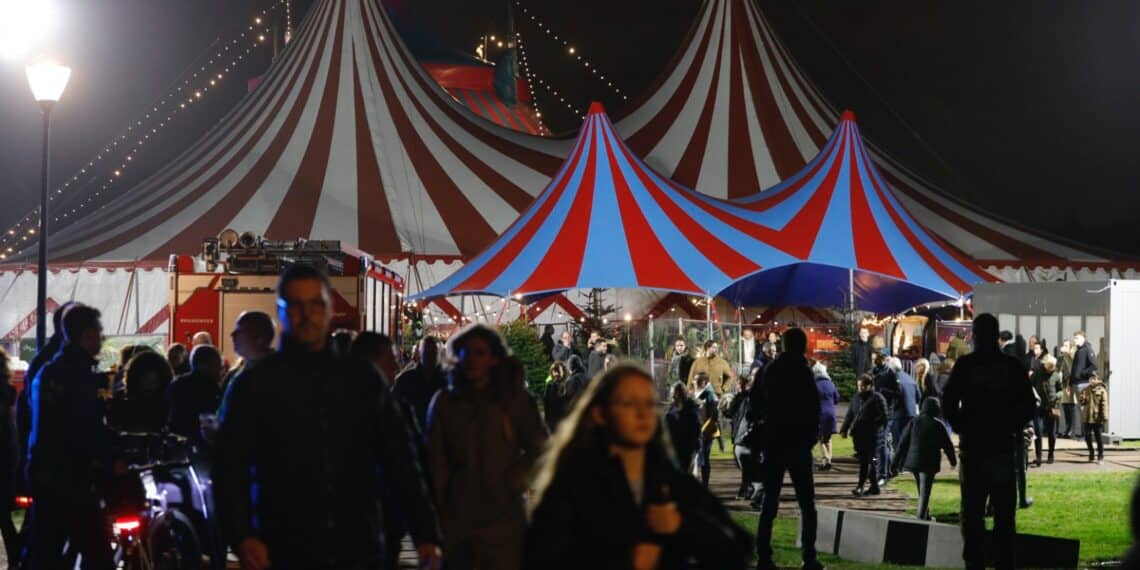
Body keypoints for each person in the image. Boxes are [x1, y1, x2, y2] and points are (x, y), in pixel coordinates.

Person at [215, 264, 442, 569]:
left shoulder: (362, 379)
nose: (307, 315)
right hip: (285, 547)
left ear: (329, 308)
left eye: (315, 304)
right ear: (281, 312)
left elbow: (400, 458)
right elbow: (230, 468)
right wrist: (242, 535)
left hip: (357, 545)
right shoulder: (254, 386)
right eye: (296, 305)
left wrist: (425, 531)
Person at [523, 364, 751, 569]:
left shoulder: (669, 481)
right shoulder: (572, 486)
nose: (643, 413)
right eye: (629, 403)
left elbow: (739, 549)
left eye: (649, 403)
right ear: (600, 413)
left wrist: (682, 525)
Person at [427, 324, 547, 569]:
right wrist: (435, 518)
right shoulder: (446, 403)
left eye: (479, 353)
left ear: (493, 359)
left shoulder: (513, 400)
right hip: (459, 520)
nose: (471, 359)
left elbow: (542, 449)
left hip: (503, 521)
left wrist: (516, 477)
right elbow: (435, 462)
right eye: (465, 352)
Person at [942, 313, 1036, 570]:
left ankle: (975, 561)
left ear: (974, 334)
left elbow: (948, 401)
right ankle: (1003, 561)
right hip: (1002, 446)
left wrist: (963, 426)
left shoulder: (966, 365)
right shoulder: (1011, 366)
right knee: (1004, 513)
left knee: (972, 511)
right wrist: (1011, 425)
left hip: (975, 447)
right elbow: (1028, 406)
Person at [26, 305, 114, 569]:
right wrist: (110, 458)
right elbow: (84, 426)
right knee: (97, 553)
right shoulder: (77, 373)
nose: (101, 338)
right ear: (87, 335)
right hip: (70, 477)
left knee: (46, 551)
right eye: (99, 333)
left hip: (47, 473)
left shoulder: (51, 369)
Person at [751, 328, 823, 570]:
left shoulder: (768, 370)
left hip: (774, 442)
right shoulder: (803, 372)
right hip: (798, 444)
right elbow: (814, 409)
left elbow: (753, 406)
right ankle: (809, 556)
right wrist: (810, 438)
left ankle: (764, 556)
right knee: (807, 503)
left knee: (769, 503)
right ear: (802, 346)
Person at [892, 397, 957, 521]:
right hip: (928, 463)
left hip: (913, 462)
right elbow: (947, 445)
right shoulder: (938, 425)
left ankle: (925, 514)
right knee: (925, 492)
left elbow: (902, 444)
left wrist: (894, 464)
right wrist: (952, 461)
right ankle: (921, 518)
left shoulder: (914, 422)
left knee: (920, 490)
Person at [166, 345, 224, 444]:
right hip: (201, 445)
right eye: (217, 365)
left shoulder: (176, 384)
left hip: (176, 442)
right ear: (205, 364)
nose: (220, 370)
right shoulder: (210, 389)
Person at [842, 375, 887, 497]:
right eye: (859, 386)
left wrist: (872, 426)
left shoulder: (877, 398)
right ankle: (874, 487)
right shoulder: (856, 398)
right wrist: (844, 429)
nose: (860, 388)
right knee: (868, 461)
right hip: (859, 435)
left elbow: (884, 417)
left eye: (863, 386)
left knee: (866, 462)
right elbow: (850, 414)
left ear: (869, 386)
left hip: (873, 436)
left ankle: (860, 486)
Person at [108, 351, 174, 433]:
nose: (150, 385)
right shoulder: (121, 400)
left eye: (154, 381)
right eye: (146, 380)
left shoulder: (167, 403)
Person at [394, 336, 447, 433]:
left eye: (433, 352)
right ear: (420, 353)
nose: (430, 356)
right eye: (427, 352)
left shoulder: (448, 379)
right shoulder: (406, 379)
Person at [726, 374, 758, 498]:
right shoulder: (738, 398)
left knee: (745, 464)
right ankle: (749, 487)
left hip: (745, 436)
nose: (739, 386)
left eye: (741, 384)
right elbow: (731, 415)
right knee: (742, 464)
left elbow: (749, 417)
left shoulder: (749, 398)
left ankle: (747, 489)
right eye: (738, 384)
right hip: (737, 434)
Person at [0, 348, 19, 558]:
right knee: (4, 515)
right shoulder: (8, 390)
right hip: (7, 457)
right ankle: (15, 555)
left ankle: (15, 555)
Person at [889, 357, 921, 475]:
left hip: (898, 414)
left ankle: (899, 467)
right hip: (911, 413)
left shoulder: (894, 379)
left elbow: (893, 397)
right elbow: (919, 396)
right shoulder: (910, 378)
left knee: (898, 441)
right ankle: (907, 465)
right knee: (907, 440)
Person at [665, 382, 701, 475]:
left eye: (675, 394)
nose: (672, 396)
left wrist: (694, 453)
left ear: (681, 395)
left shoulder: (691, 412)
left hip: (687, 454)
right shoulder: (670, 412)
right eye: (672, 394)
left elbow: (696, 434)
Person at [1032, 354, 1062, 465]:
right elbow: (1031, 386)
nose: (1051, 368)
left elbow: (1060, 389)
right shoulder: (1037, 374)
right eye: (1049, 366)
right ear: (1044, 364)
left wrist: (1057, 396)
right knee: (1038, 432)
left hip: (1051, 408)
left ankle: (1051, 455)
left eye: (1053, 366)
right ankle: (1038, 457)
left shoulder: (1056, 375)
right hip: (1039, 407)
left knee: (1051, 433)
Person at [693, 373, 719, 488]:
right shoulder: (691, 395)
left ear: (704, 382)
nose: (696, 382)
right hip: (693, 432)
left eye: (698, 380)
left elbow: (714, 414)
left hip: (706, 431)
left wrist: (707, 429)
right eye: (695, 379)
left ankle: (704, 484)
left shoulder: (709, 395)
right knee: (692, 458)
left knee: (704, 458)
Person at [813, 362, 839, 471]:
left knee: (820, 438)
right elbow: (837, 398)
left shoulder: (814, 384)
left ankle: (826, 458)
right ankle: (828, 461)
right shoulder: (831, 384)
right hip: (831, 414)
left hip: (820, 414)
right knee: (828, 438)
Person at [1080, 370, 1108, 464]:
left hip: (1097, 418)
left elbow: (1104, 405)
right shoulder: (1086, 389)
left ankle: (1100, 456)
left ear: (1098, 379)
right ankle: (1091, 453)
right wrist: (1082, 398)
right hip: (1087, 417)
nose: (1092, 380)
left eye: (1094, 378)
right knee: (1087, 436)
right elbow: (1082, 403)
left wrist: (1105, 417)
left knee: (1098, 437)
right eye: (1091, 378)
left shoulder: (1102, 390)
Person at [542, 361, 576, 433]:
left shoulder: (568, 383)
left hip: (564, 420)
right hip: (553, 420)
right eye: (554, 372)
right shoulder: (550, 385)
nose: (556, 374)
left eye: (557, 371)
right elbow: (546, 403)